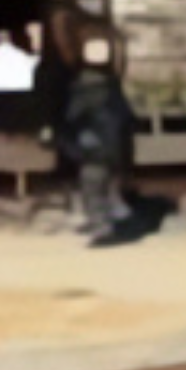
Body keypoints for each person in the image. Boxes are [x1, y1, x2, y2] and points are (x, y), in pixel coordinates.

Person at [61, 36, 135, 239]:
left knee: (91, 185)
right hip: (115, 145)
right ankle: (112, 218)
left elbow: (72, 116)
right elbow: (128, 116)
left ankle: (101, 226)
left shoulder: (83, 88)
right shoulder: (113, 87)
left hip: (93, 145)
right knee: (107, 183)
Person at [0, 29, 39, 133]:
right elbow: (33, 63)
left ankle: (1, 134)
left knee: (1, 116)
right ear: (10, 40)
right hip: (21, 90)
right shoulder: (20, 53)